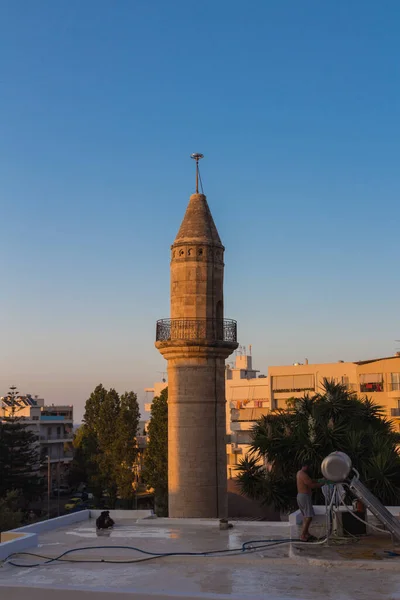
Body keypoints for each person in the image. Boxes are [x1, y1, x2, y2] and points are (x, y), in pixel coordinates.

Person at [296, 462, 324, 542]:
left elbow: (311, 480)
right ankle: (303, 535)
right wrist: (323, 483)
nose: (309, 468)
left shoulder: (299, 473)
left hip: (301, 496)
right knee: (309, 517)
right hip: (304, 497)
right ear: (305, 466)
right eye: (308, 466)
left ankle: (306, 533)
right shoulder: (303, 474)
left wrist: (320, 479)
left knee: (305, 516)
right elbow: (312, 485)